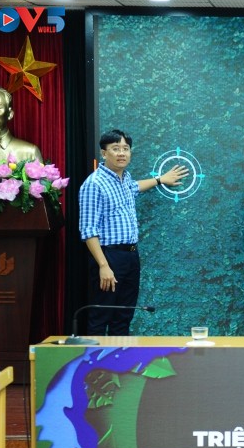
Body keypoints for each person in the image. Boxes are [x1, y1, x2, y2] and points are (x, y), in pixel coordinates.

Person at [78, 129, 188, 336]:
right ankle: (95, 358)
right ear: (104, 153)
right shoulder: (94, 184)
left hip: (130, 256)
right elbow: (88, 231)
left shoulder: (124, 179)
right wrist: (104, 266)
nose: (122, 153)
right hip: (108, 256)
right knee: (101, 316)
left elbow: (136, 187)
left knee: (124, 316)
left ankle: (119, 357)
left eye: (125, 149)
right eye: (115, 149)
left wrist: (160, 179)